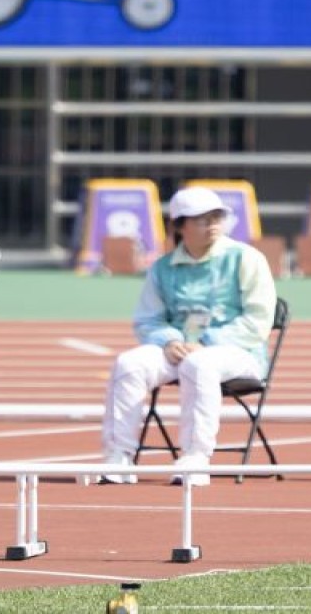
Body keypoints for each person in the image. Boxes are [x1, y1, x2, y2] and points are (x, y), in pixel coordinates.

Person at [98, 186, 276, 487]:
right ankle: (119, 457)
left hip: (238, 352)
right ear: (180, 225)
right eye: (202, 219)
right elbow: (147, 319)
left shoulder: (246, 258)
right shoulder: (162, 268)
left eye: (216, 216)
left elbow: (257, 320)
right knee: (129, 363)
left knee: (200, 365)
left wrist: (205, 343)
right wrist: (169, 341)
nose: (213, 224)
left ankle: (195, 458)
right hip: (177, 350)